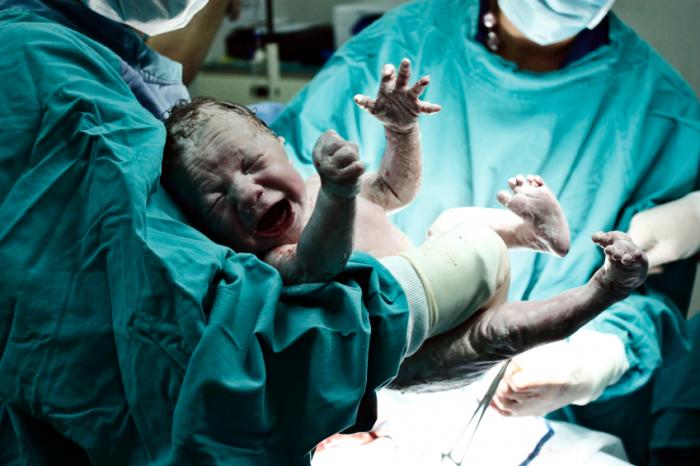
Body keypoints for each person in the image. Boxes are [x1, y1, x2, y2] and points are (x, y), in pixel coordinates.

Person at [0, 1, 649, 465]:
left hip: (422, 299)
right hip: (411, 348)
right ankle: (598, 290)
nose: (248, 191)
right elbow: (292, 297)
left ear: (285, 144)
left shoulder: (313, 182)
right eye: (220, 198)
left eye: (255, 166)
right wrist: (392, 254)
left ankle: (536, 238)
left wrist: (398, 132)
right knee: (508, 328)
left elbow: (397, 189)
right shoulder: (270, 254)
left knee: (459, 225)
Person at [271, 0, 700, 463]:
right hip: (374, 365)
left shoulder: (661, 113)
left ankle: (525, 235)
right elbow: (287, 212)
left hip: (534, 411)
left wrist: (599, 357)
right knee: (450, 236)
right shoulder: (398, 49)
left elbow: (648, 295)